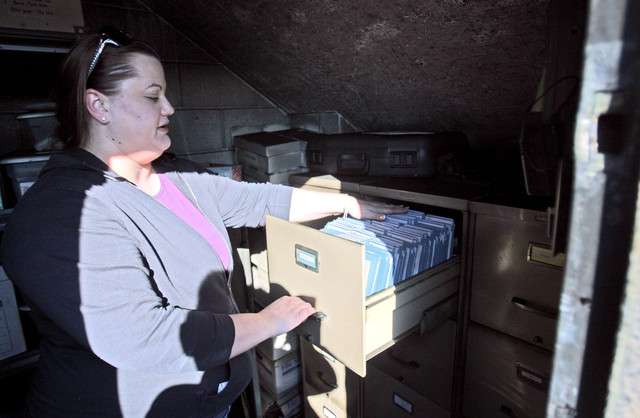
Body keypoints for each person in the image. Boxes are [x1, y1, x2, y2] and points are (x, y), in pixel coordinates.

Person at [0, 29, 405, 418]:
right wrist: (268, 322)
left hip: (212, 400)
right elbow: (144, 336)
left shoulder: (176, 179)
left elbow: (262, 200)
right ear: (99, 106)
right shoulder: (61, 213)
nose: (169, 109)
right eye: (152, 96)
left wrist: (346, 203)